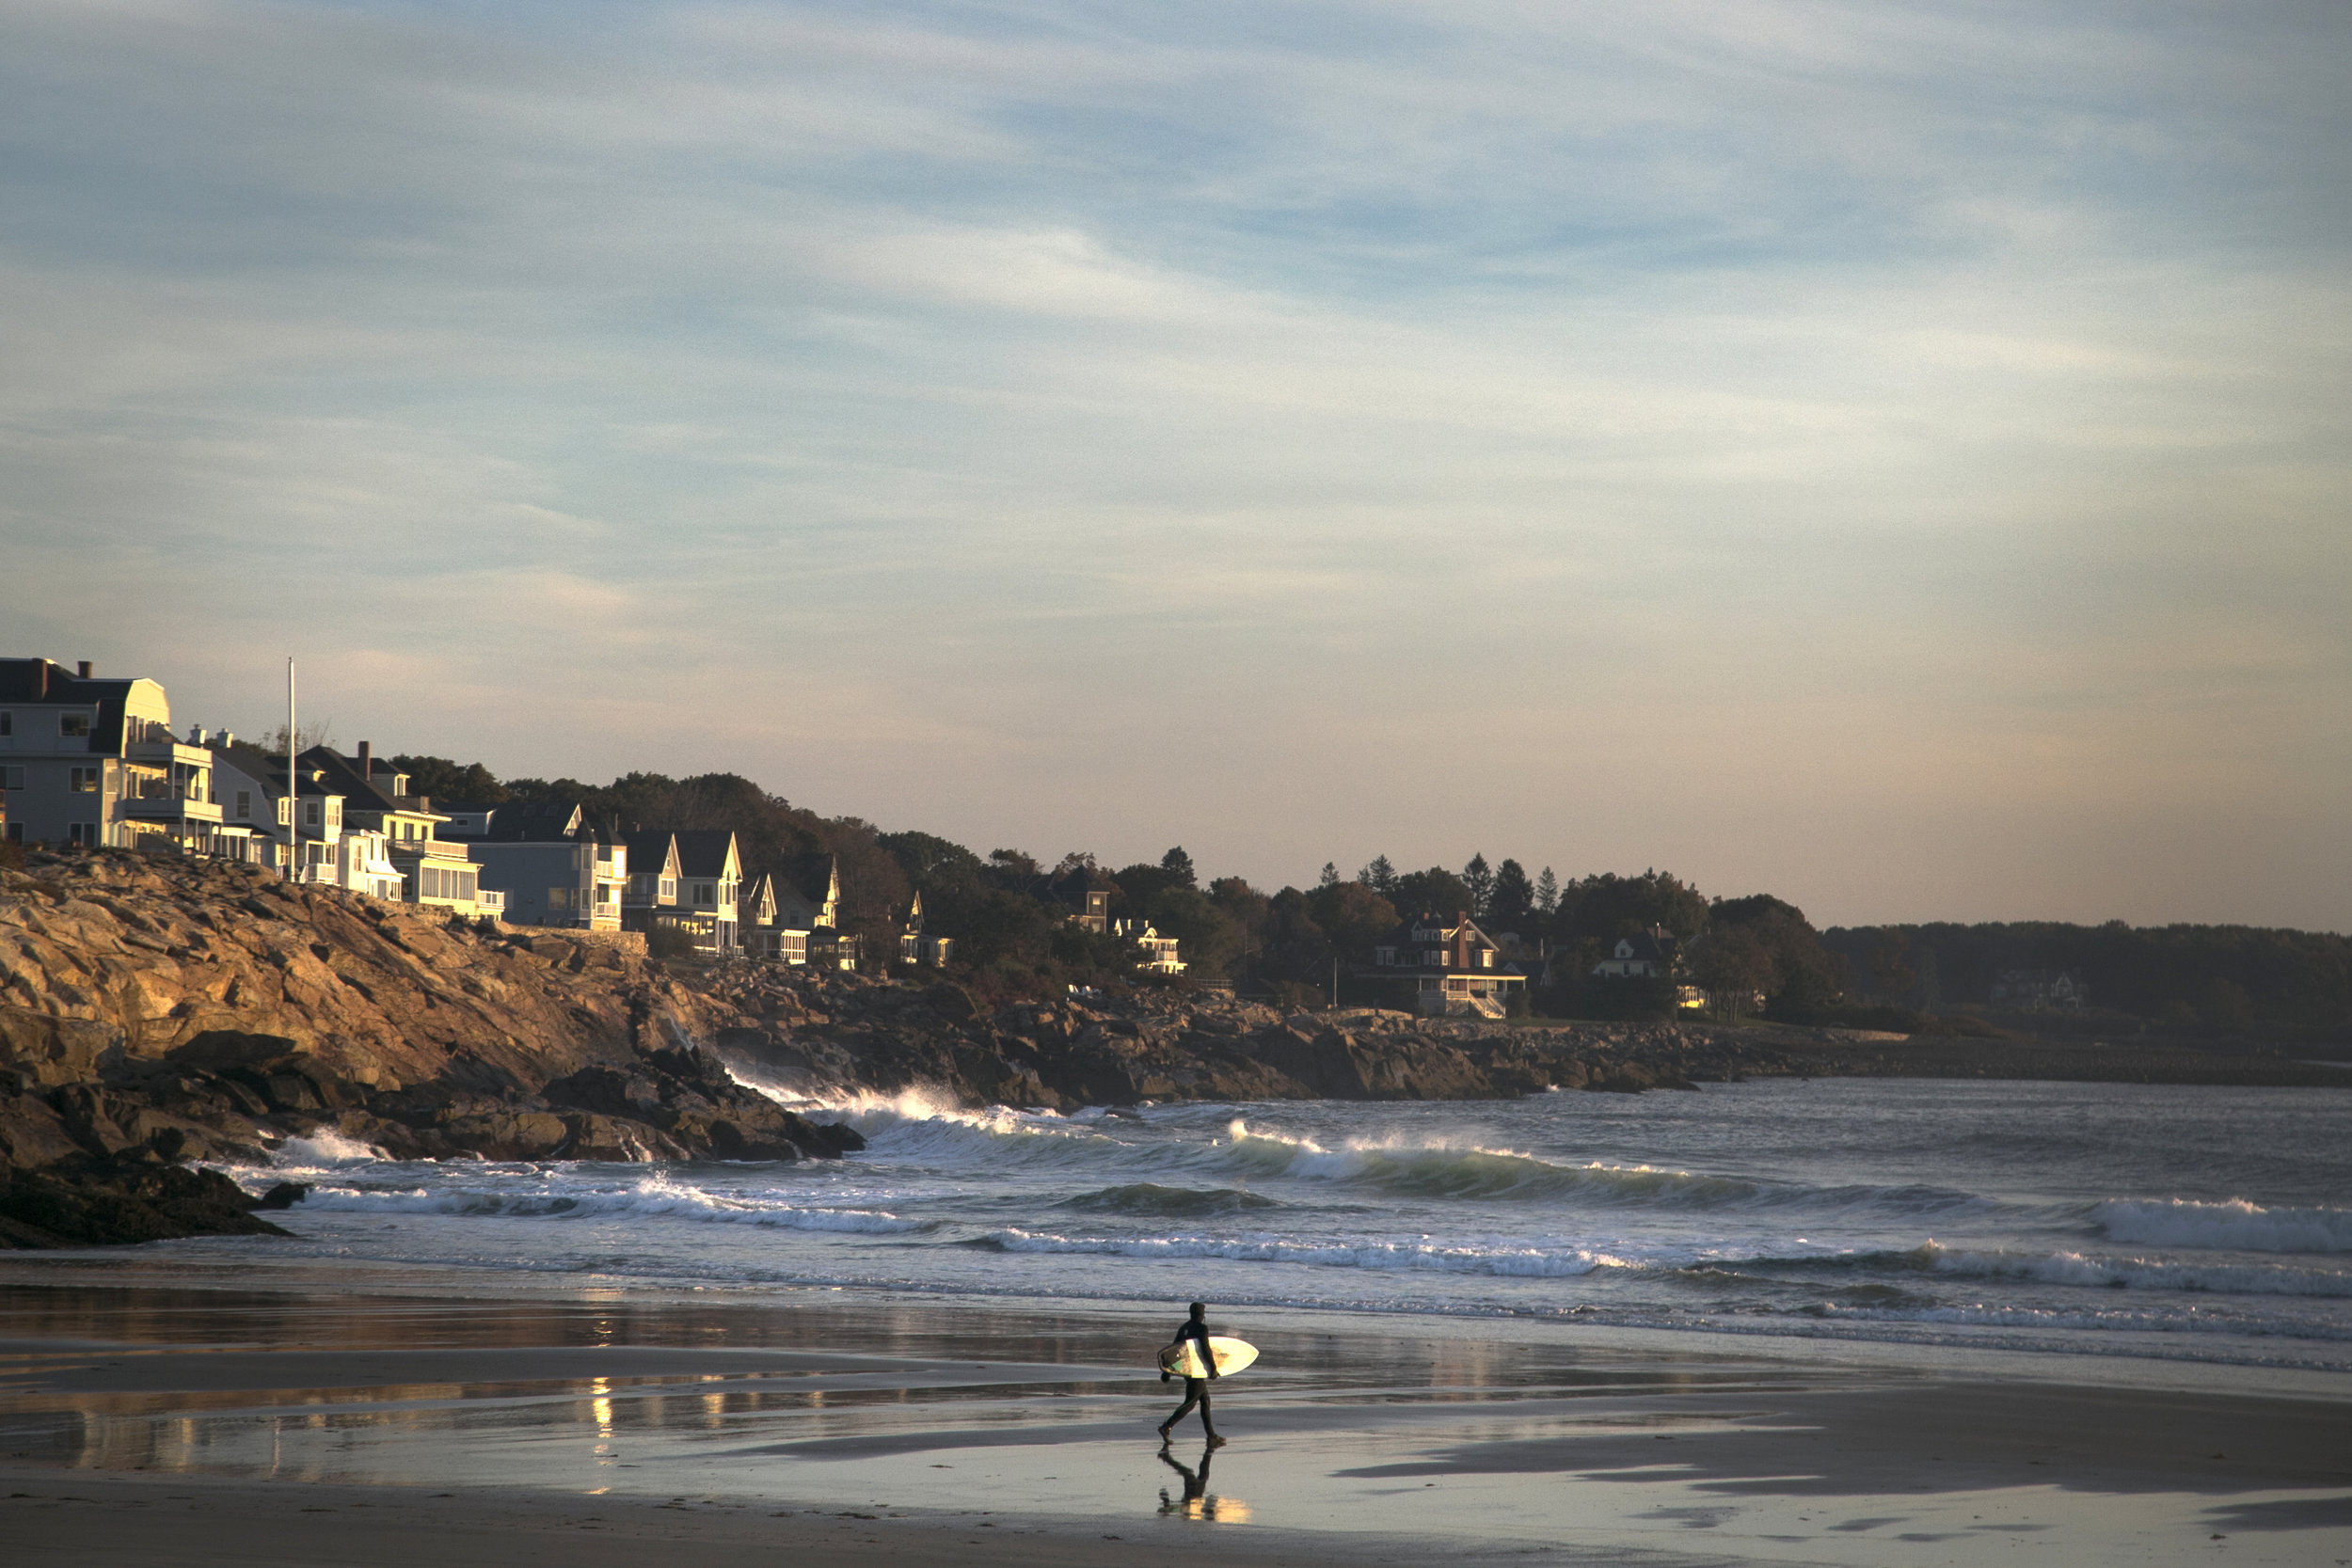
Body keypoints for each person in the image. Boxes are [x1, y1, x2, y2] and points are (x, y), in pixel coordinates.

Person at [1158, 1300, 1223, 1445]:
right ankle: (1166, 1426)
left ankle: (1211, 1436)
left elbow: (1174, 1350)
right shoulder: (1202, 1328)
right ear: (1201, 1314)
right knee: (1190, 1403)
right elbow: (1206, 1350)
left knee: (1205, 1401)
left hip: (1187, 1370)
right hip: (1196, 1370)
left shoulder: (1184, 1328)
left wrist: (1167, 1371)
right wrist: (1213, 1368)